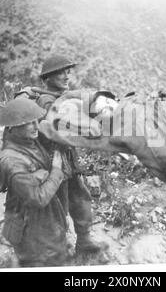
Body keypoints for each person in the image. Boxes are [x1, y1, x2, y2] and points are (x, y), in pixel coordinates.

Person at [36, 55, 106, 254]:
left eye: (68, 71)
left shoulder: (62, 98)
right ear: (48, 77)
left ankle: (83, 240)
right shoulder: (46, 100)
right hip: (52, 161)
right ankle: (58, 252)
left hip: (67, 157)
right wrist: (86, 128)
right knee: (59, 206)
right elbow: (58, 126)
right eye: (61, 72)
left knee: (80, 197)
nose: (67, 76)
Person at [0, 98, 69, 267]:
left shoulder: (29, 142)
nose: (36, 126)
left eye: (36, 121)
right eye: (29, 123)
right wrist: (56, 171)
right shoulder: (12, 160)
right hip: (32, 232)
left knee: (57, 254)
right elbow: (38, 199)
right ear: (13, 127)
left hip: (46, 222)